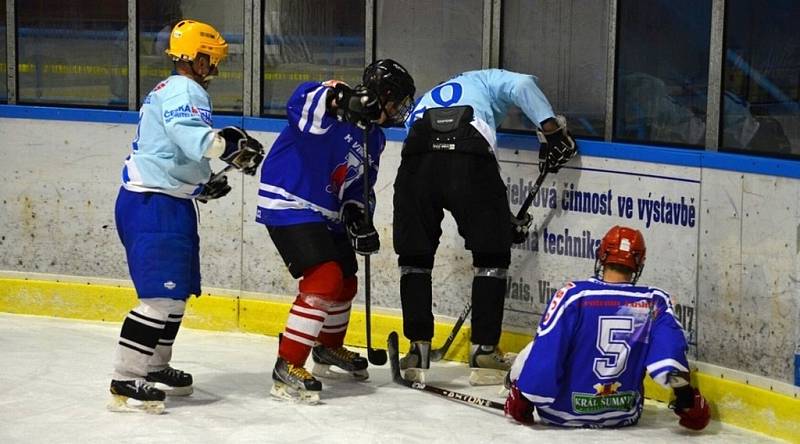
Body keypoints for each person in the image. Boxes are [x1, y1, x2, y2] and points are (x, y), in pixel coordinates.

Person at [109, 20, 264, 414]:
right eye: (210, 59)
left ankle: (155, 367)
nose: (213, 68)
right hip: (153, 205)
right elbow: (188, 135)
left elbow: (172, 155)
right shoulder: (184, 88)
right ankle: (126, 378)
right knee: (160, 299)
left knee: (175, 298)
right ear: (195, 57)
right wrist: (225, 146)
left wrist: (202, 185)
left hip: (168, 201)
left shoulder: (172, 88)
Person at [395, 69, 577, 385]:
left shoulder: (429, 98)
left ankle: (417, 351)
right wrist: (551, 131)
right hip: (468, 154)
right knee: (491, 256)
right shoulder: (487, 79)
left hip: (416, 158)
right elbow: (522, 85)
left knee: (415, 257)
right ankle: (483, 354)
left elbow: (436, 164)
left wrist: (498, 217)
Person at [256, 59, 416, 403]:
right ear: (383, 95)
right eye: (397, 100)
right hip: (290, 199)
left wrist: (359, 216)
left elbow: (359, 186)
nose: (399, 109)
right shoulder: (332, 102)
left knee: (346, 280)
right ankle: (288, 364)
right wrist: (343, 101)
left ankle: (328, 348)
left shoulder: (374, 138)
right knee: (324, 278)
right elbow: (300, 101)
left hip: (327, 212)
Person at [504, 225, 710, 430]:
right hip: (622, 414)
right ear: (639, 263)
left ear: (601, 255)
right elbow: (670, 352)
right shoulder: (654, 301)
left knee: (536, 346)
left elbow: (548, 352)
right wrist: (687, 400)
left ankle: (519, 388)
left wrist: (522, 401)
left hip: (563, 414)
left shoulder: (574, 295)